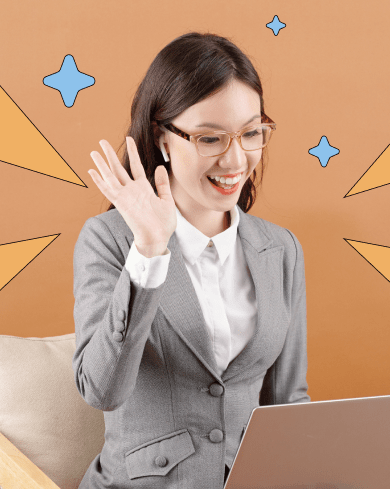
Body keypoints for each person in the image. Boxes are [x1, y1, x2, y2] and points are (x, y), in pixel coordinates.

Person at [73, 32, 309, 489]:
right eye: (210, 138)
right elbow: (101, 389)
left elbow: (287, 401)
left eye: (251, 132)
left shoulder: (281, 250)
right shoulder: (107, 240)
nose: (236, 158)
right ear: (163, 138)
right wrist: (149, 252)